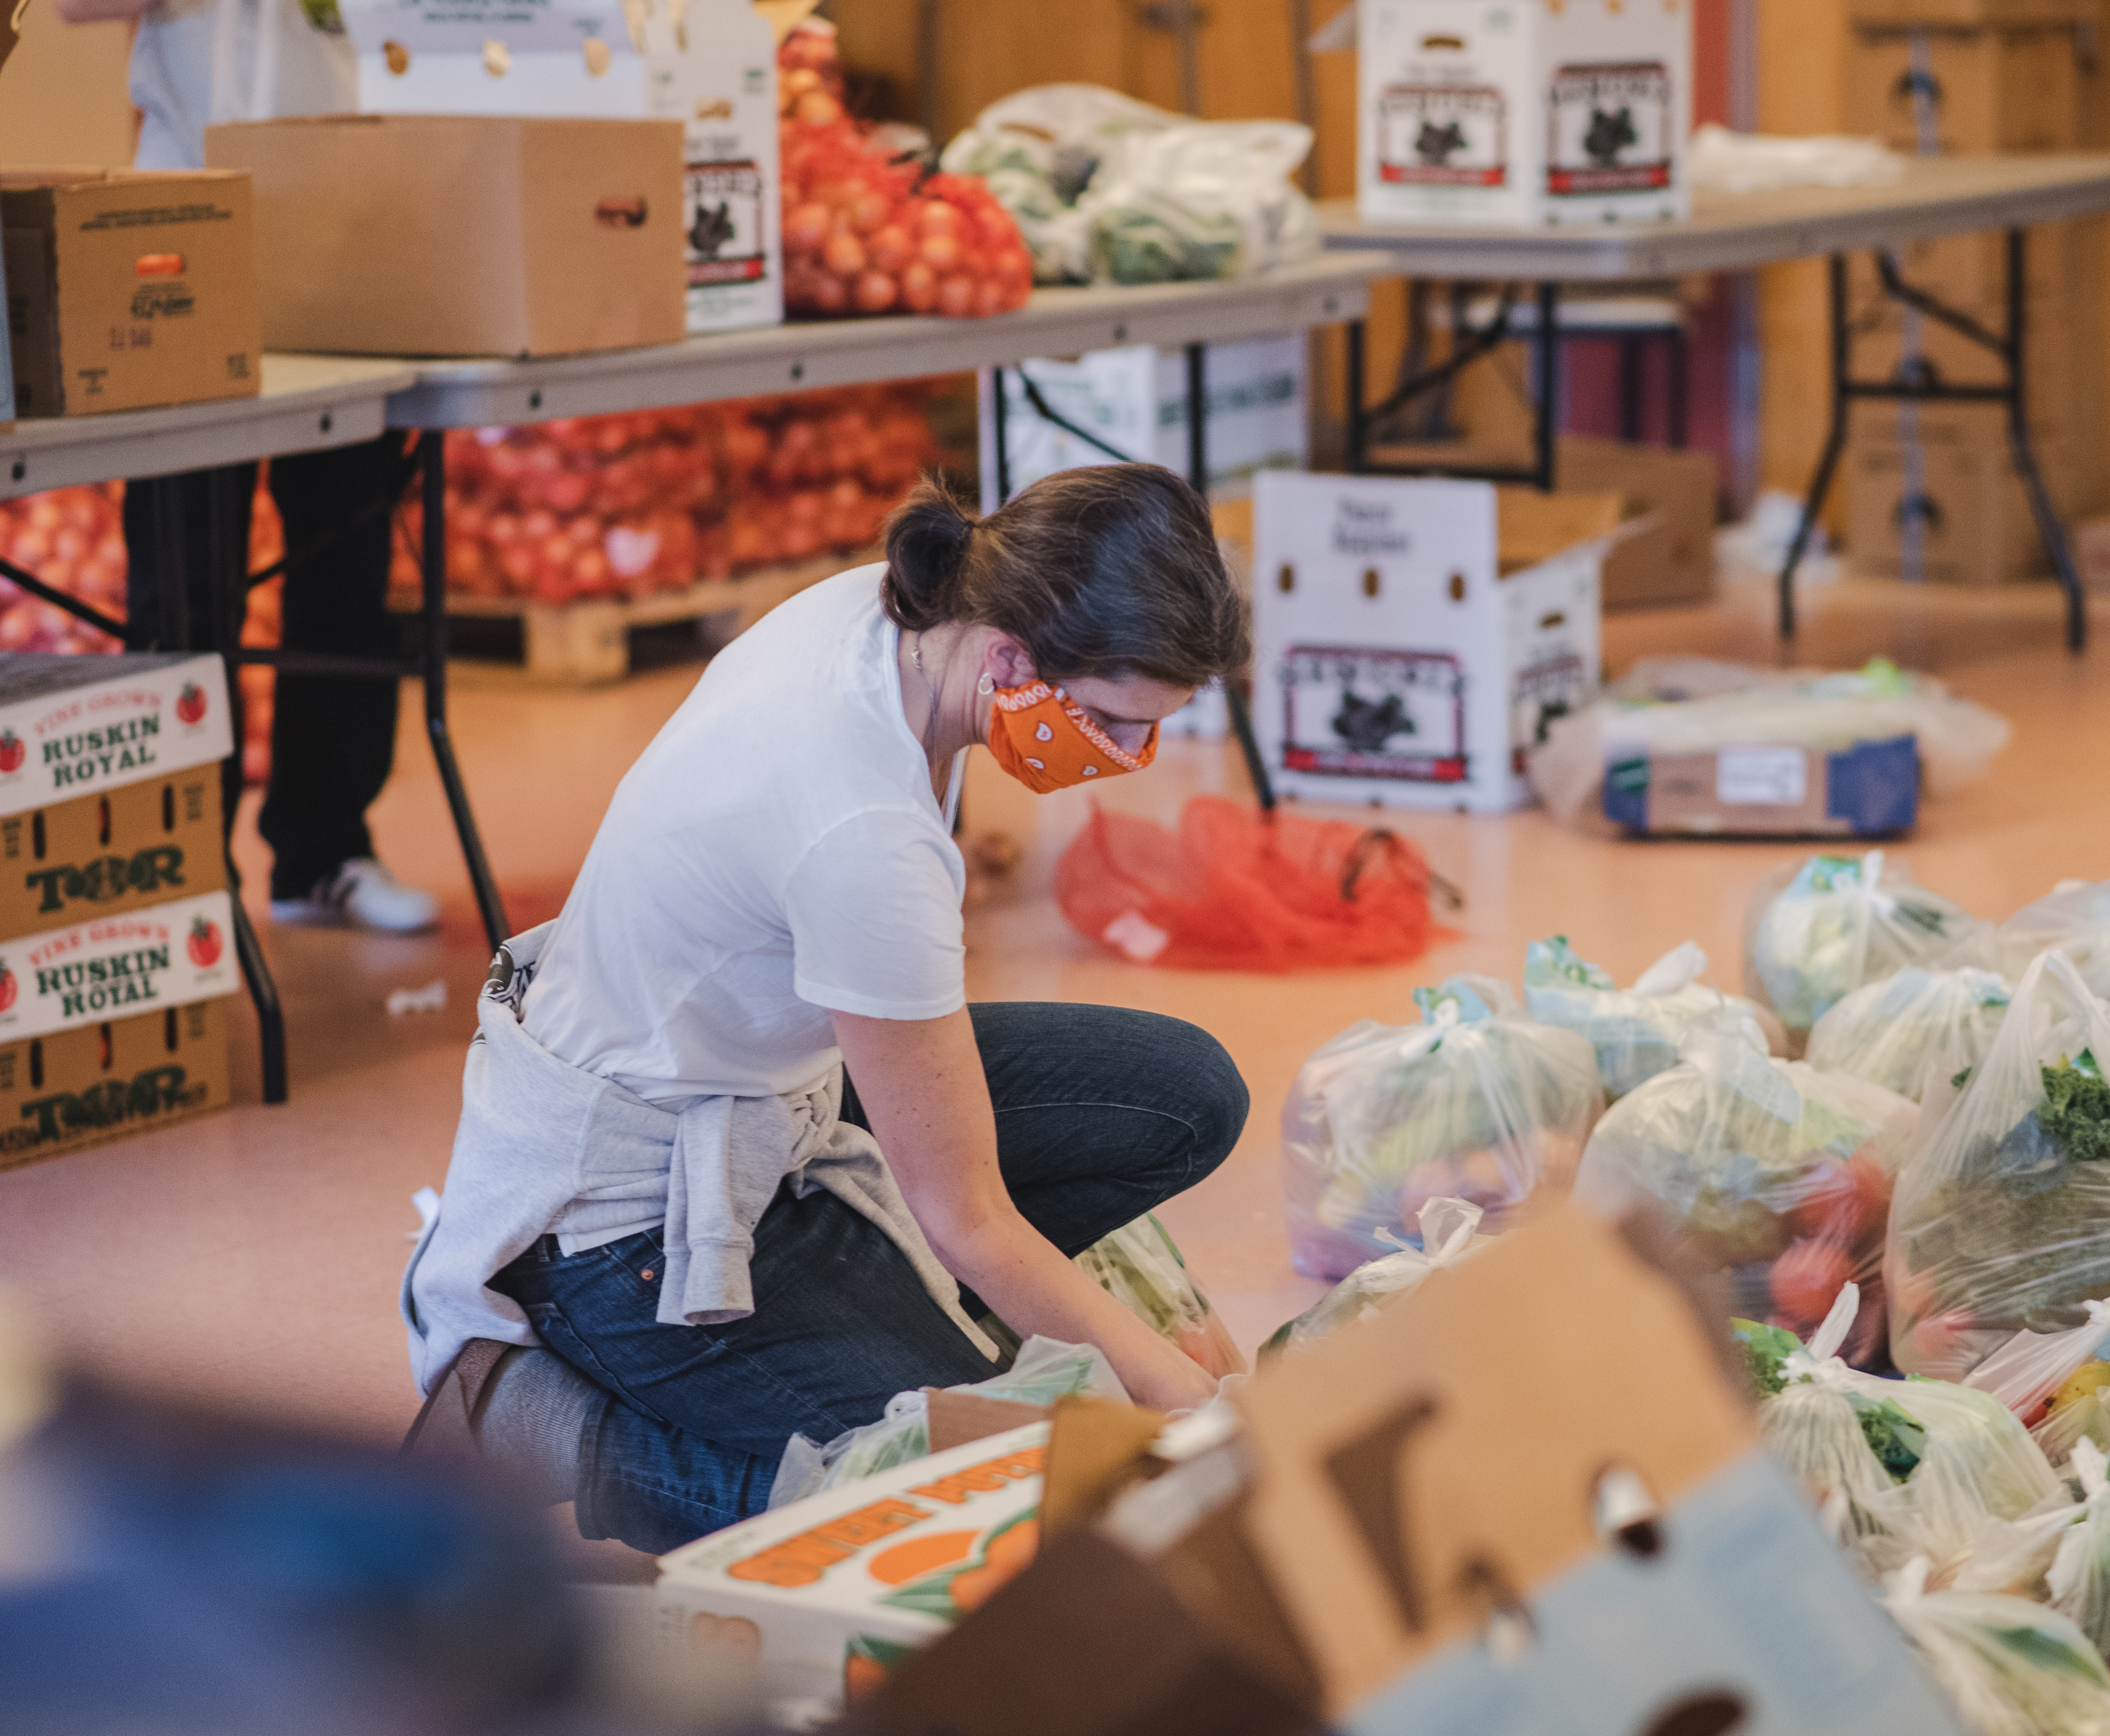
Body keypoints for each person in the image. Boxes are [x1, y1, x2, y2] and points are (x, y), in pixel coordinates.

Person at [403, 465, 1253, 1553]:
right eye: (1109, 722)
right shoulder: (860, 832)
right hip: (627, 1228)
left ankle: (889, 1329)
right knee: (984, 1492)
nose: (1124, 760)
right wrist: (1190, 1411)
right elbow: (970, 1214)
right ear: (1011, 659)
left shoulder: (900, 608)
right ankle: (552, 1428)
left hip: (761, 1085)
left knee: (1183, 1094)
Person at [59, 0, 438, 931]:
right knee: (183, 590)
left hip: (352, 216)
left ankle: (325, 849)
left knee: (346, 566)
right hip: (183, 227)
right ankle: (183, 875)